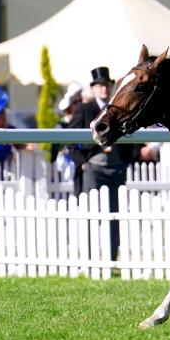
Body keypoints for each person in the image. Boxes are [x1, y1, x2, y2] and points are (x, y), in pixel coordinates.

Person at [67, 67, 140, 260]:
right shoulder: (84, 109)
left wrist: (125, 161)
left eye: (106, 85)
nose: (104, 89)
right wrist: (82, 162)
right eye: (99, 86)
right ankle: (91, 257)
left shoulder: (118, 106)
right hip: (93, 167)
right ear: (93, 88)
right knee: (92, 213)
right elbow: (69, 139)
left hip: (115, 168)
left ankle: (111, 256)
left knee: (115, 215)